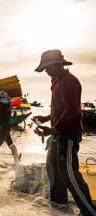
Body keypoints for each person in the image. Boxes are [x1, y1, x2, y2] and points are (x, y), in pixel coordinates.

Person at [33, 49, 96, 215]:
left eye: (47, 67)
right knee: (54, 170)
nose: (45, 71)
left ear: (56, 65)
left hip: (67, 135)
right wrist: (47, 118)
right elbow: (59, 108)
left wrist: (52, 129)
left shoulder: (69, 82)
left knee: (69, 174)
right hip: (57, 134)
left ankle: (89, 211)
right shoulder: (57, 81)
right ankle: (59, 208)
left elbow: (72, 112)